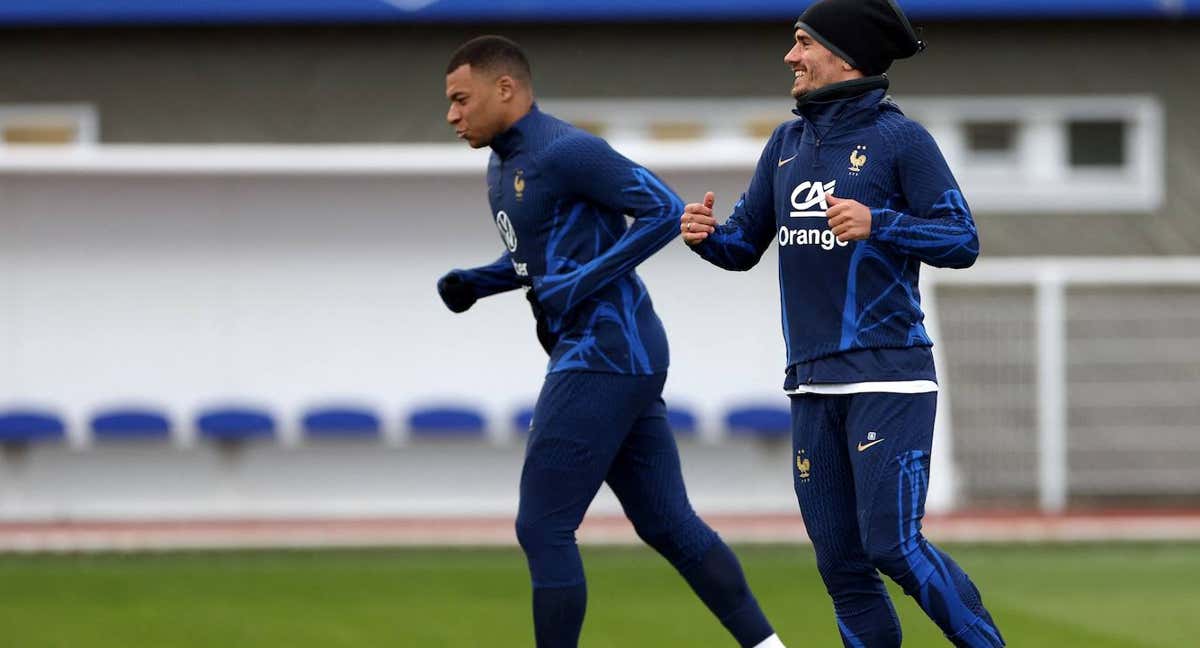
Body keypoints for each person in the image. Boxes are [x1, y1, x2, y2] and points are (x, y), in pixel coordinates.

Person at [436, 35, 785, 648]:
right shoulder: (502, 167)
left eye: (462, 99)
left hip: (603, 352)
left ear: (506, 88)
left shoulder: (566, 151)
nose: (452, 115)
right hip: (625, 356)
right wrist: (479, 281)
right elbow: (544, 264)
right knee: (668, 524)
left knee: (543, 526)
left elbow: (663, 210)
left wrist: (582, 283)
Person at [679, 2, 1004, 646]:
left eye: (802, 43)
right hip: (810, 383)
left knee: (893, 545)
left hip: (889, 377)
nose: (789, 56)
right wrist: (704, 238)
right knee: (841, 567)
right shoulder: (786, 143)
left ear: (843, 53)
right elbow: (743, 245)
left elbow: (961, 239)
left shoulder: (900, 140)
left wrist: (879, 223)